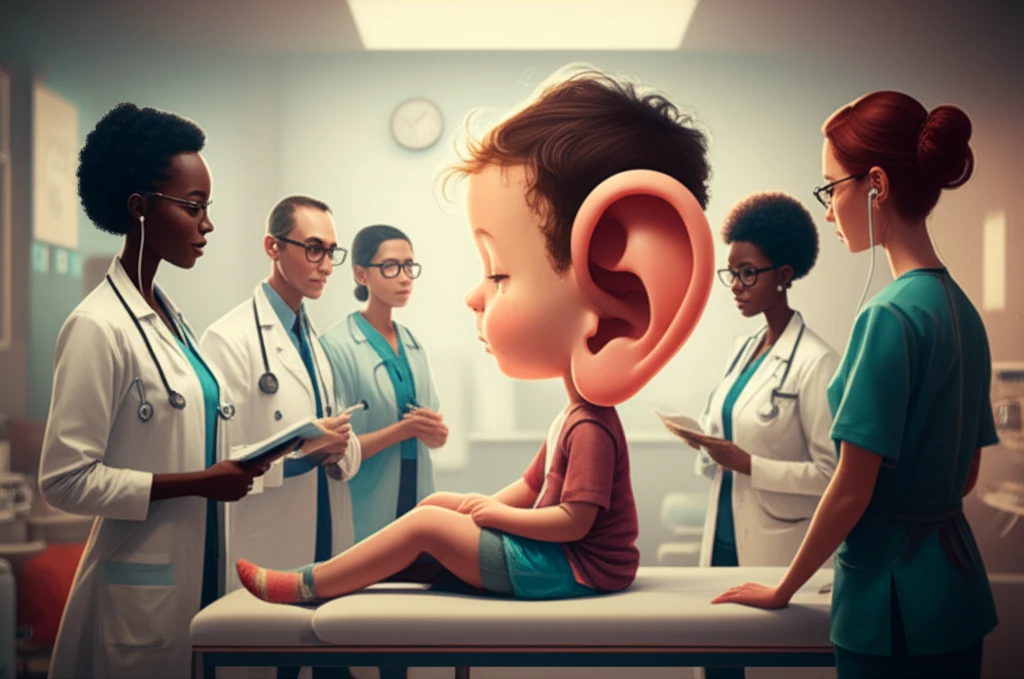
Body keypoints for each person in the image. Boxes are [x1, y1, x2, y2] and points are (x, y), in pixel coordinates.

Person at [232, 64, 715, 607]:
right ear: (361, 275)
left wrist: (492, 516)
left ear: (619, 298)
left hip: (577, 569)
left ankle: (307, 585)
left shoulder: (591, 429)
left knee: (425, 530)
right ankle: (362, 573)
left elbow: (574, 522)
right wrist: (471, 503)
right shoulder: (569, 419)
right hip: (486, 533)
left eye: (499, 273)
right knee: (435, 511)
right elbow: (532, 490)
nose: (472, 296)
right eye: (389, 267)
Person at [37, 104, 349, 679]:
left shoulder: (170, 319)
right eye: (194, 207)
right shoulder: (97, 326)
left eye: (208, 209)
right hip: (140, 586)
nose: (207, 225)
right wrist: (200, 484)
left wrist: (281, 449)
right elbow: (64, 479)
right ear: (139, 208)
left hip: (206, 567)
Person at [712, 91, 1000, 679]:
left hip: (888, 605)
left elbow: (850, 487)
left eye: (830, 188)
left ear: (875, 185)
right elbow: (965, 474)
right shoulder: (963, 313)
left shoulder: (888, 317)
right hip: (954, 594)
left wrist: (783, 587)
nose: (827, 209)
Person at [674, 192, 839, 679]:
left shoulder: (817, 362)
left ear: (784, 275)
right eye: (733, 273)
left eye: (748, 272)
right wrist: (703, 445)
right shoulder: (742, 349)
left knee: (764, 665)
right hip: (722, 535)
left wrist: (748, 463)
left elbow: (832, 476)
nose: (737, 286)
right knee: (719, 665)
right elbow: (723, 433)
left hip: (776, 546)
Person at [200, 195, 362, 679]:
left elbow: (339, 437)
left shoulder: (315, 339)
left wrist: (337, 452)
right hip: (269, 542)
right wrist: (303, 457)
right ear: (273, 246)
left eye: (332, 251)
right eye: (313, 249)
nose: (326, 265)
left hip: (326, 540)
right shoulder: (228, 339)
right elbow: (223, 462)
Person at [318, 224, 446, 555]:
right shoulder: (336, 346)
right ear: (361, 274)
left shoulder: (413, 343)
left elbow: (433, 432)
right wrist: (405, 430)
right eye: (391, 267)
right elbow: (336, 454)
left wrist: (436, 433)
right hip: (364, 510)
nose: (404, 277)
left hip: (417, 500)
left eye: (409, 266)